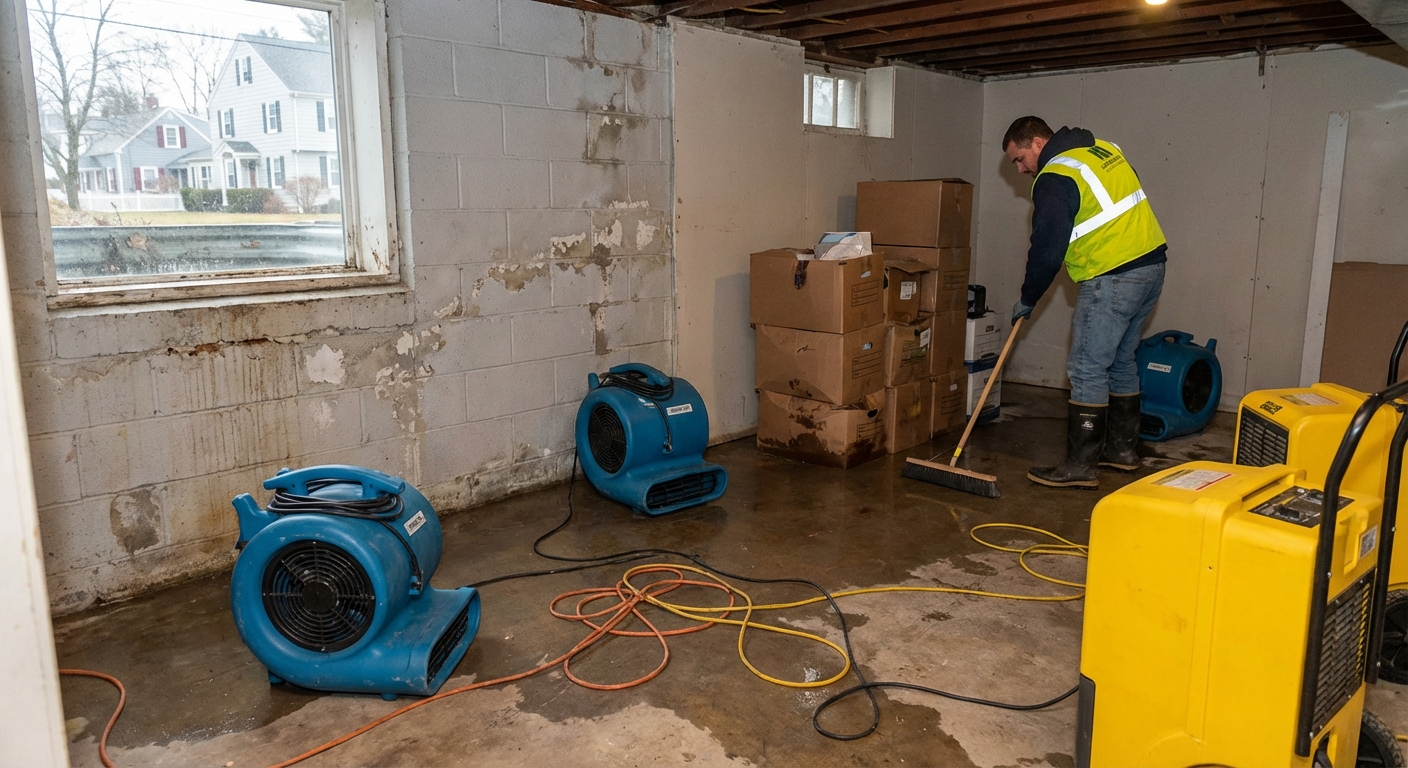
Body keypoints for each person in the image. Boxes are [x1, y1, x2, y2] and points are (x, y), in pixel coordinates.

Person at [1002, 116, 1168, 488]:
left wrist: (1029, 297)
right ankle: (1121, 453)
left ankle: (1080, 466)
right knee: (1122, 360)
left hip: (1113, 276)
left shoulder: (1055, 177)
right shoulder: (1104, 149)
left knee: (1087, 368)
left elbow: (1047, 250)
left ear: (1037, 143)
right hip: (1151, 267)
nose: (1020, 169)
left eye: (1019, 159)